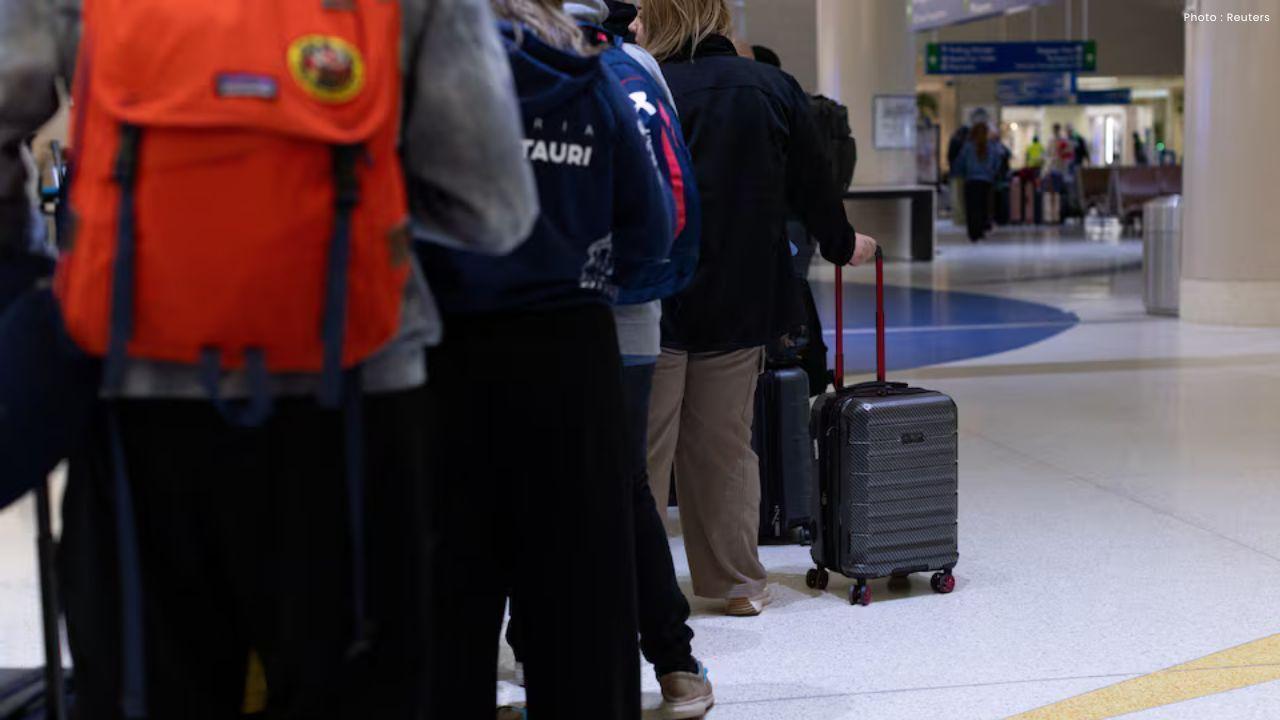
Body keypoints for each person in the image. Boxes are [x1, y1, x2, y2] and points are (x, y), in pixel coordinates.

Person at [2, 1, 540, 718]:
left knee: (147, 692)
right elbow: (496, 205)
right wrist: (341, 210)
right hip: (355, 396)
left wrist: (45, 265)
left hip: (138, 396)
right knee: (360, 686)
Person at [415, 0, 672, 717]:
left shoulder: (423, 76)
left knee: (446, 604)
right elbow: (652, 229)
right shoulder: (591, 79)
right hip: (571, 356)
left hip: (447, 355)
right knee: (582, 606)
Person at [504, 1, 714, 717]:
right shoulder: (632, 65)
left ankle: (526, 662)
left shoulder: (474, 59)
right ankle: (677, 665)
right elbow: (656, 210)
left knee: (496, 500)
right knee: (622, 495)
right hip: (615, 321)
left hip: (492, 324)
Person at [635, 0, 877, 617]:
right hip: (742, 296)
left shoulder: (643, 81)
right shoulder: (772, 87)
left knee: (641, 450)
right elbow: (816, 189)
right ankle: (735, 583)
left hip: (654, 294)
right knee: (724, 446)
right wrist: (848, 246)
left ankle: (633, 587)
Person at [953, 122, 1001, 242]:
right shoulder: (991, 146)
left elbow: (960, 162)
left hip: (971, 181)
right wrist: (992, 174)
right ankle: (981, 231)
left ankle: (973, 233)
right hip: (986, 181)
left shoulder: (968, 147)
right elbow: (997, 162)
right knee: (983, 206)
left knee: (971, 208)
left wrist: (960, 174)